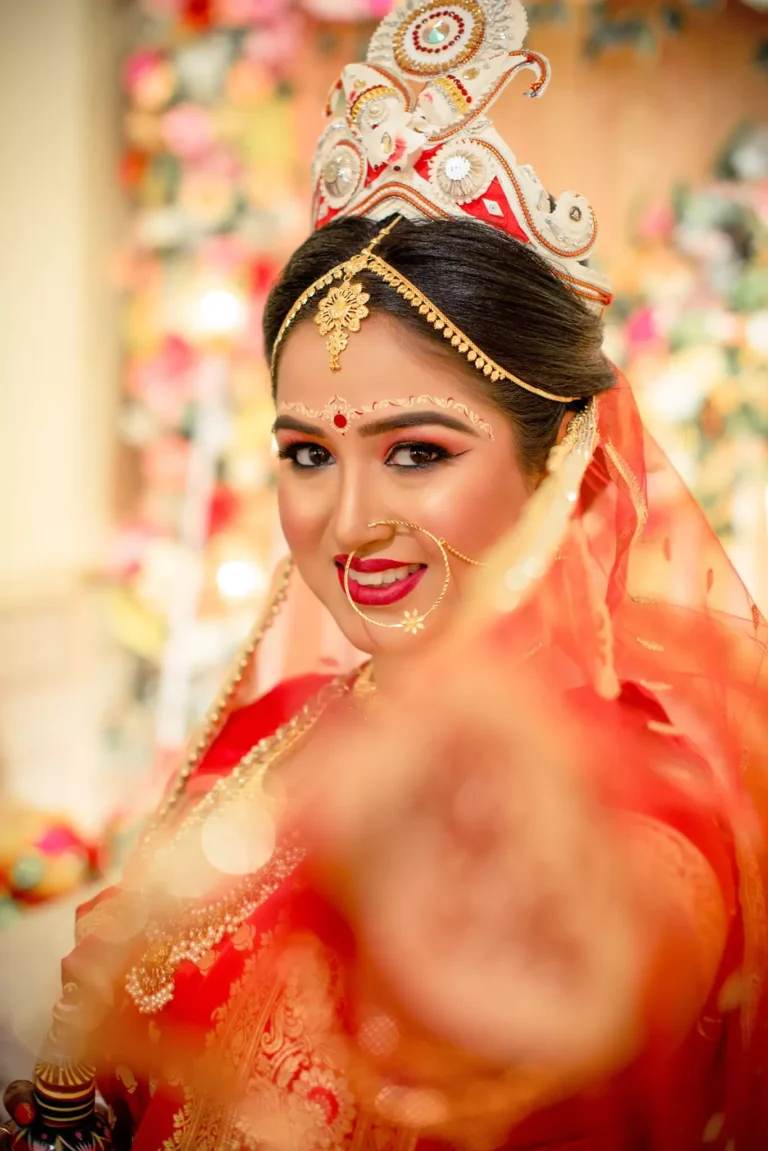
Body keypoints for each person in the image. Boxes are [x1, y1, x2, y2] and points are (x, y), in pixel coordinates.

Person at [3, 2, 768, 1149]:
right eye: (308, 452)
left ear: (572, 465)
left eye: (419, 450)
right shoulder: (268, 729)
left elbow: (620, 962)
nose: (351, 523)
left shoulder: (643, 795)